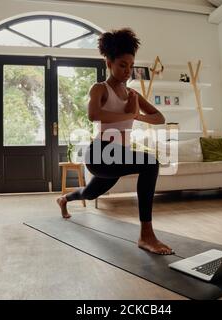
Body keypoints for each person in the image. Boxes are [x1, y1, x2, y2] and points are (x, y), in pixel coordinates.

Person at [56, 28, 174, 255]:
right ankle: (146, 235)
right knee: (150, 163)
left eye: (130, 66)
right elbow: (94, 114)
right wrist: (129, 115)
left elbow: (160, 118)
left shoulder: (133, 94)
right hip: (100, 154)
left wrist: (137, 114)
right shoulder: (100, 88)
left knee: (90, 194)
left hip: (119, 155)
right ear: (108, 62)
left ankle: (64, 199)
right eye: (122, 65)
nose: (127, 71)